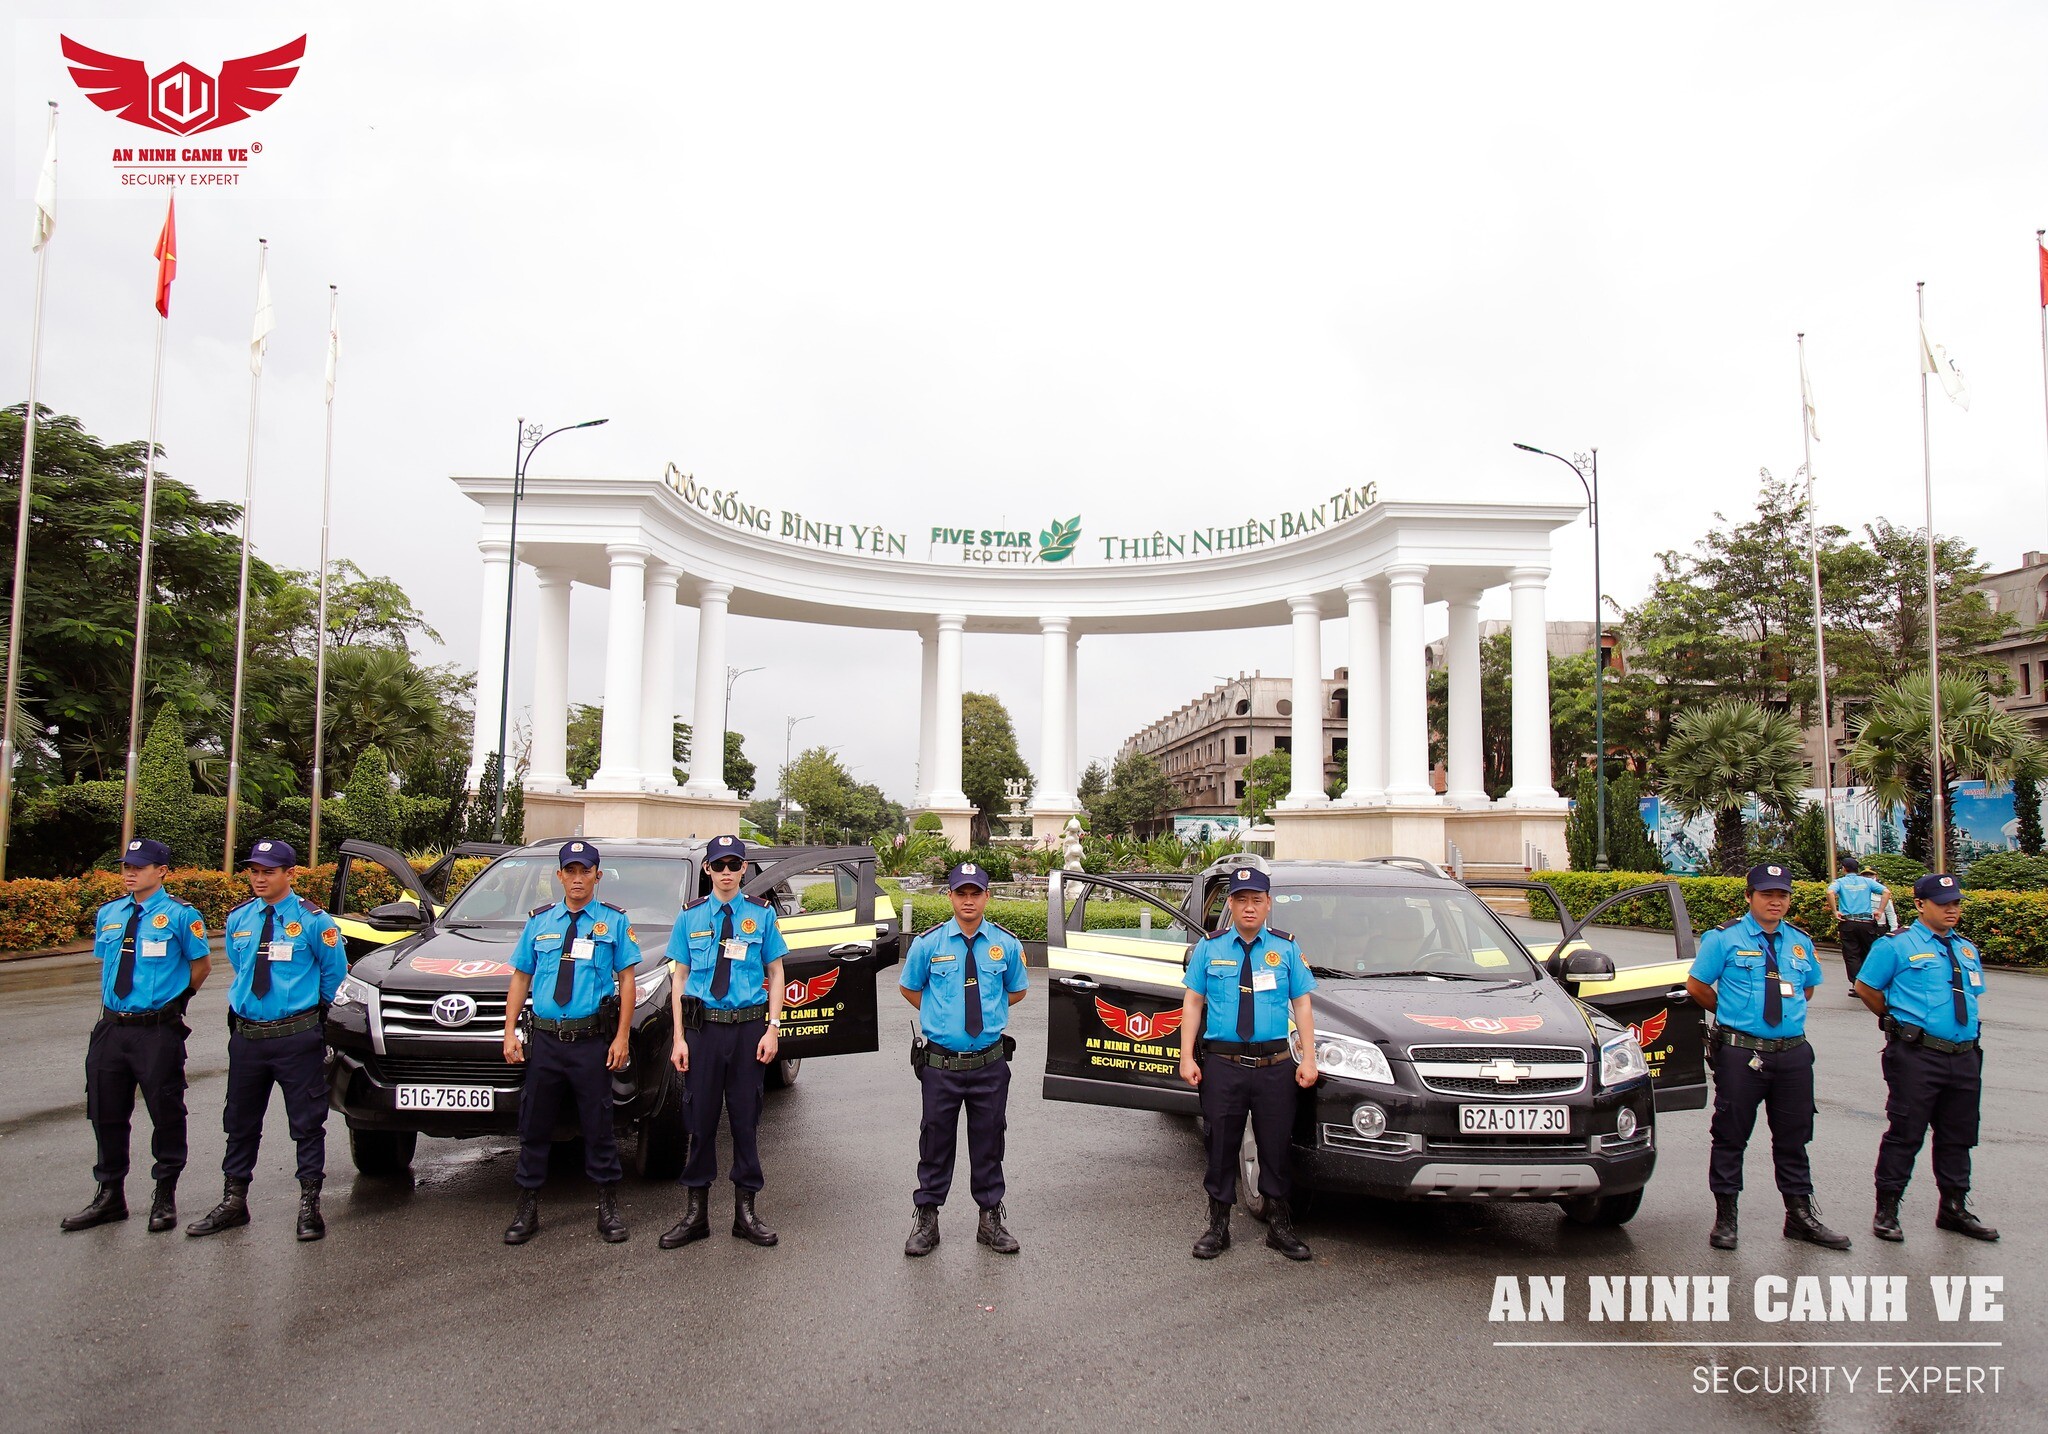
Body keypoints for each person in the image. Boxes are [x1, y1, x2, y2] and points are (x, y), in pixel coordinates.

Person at [1685, 863, 1850, 1252]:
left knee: (1794, 1139)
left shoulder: (1799, 942)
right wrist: (1733, 1014)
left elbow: (1806, 990)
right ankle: (1726, 1218)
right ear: (1749, 897)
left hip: (1792, 1054)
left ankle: (1800, 1217)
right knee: (1731, 1136)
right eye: (1766, 894)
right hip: (1742, 1053)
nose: (1776, 901)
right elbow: (1697, 985)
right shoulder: (1723, 939)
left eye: (1782, 895)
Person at [187, 840, 345, 1242]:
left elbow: (333, 980)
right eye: (254, 871)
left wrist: (317, 1028)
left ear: (290, 874)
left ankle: (309, 1205)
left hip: (296, 1038)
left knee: (307, 1125)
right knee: (239, 1123)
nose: (259, 878)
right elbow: (243, 969)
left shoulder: (315, 922)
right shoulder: (240, 918)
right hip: (248, 1039)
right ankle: (234, 1200)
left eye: (268, 871)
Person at [62, 838, 211, 1233]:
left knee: (165, 1111)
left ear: (161, 871)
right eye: (126, 865)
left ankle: (164, 1195)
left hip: (156, 1029)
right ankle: (110, 1195)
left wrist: (177, 1003)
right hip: (112, 1027)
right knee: (105, 1111)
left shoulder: (181, 916)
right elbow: (108, 965)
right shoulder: (109, 914)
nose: (130, 872)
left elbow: (201, 964)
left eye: (139, 866)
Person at [1177, 866, 1319, 1262]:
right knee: (1220, 1144)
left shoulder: (1286, 949)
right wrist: (1187, 1055)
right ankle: (1217, 1225)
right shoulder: (1211, 947)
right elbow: (1192, 1002)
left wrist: (1309, 1057)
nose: (1249, 908)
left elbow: (1303, 1003)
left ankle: (1279, 1225)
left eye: (1257, 900)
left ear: (1268, 904)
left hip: (1275, 1065)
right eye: (1241, 900)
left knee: (1275, 1145)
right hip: (1223, 1064)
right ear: (1231, 904)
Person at [500, 839, 639, 1245]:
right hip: (545, 1040)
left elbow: (627, 980)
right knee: (534, 1123)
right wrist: (509, 1031)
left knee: (598, 1125)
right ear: (559, 876)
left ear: (598, 875)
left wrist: (622, 1036)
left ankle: (607, 1205)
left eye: (585, 871)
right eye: (570, 871)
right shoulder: (539, 922)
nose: (578, 879)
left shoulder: (613, 922)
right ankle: (527, 1206)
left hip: (590, 1041)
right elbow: (520, 978)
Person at [1854, 873, 1998, 1242]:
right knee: (1906, 1133)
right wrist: (1895, 1021)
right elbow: (1866, 987)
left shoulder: (1966, 948)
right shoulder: (1896, 946)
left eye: (1956, 903)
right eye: (1943, 903)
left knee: (1959, 1136)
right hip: (1918, 1055)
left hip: (1964, 1056)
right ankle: (1887, 1210)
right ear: (1920, 904)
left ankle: (1953, 1208)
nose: (1952, 909)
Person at [661, 834, 788, 1250]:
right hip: (703, 1031)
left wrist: (773, 1028)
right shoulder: (690, 917)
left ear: (744, 868)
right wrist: (679, 1038)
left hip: (749, 1030)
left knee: (745, 1120)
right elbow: (679, 978)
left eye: (735, 865)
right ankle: (696, 1213)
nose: (728, 872)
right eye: (720, 865)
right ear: (708, 870)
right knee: (699, 1121)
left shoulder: (760, 915)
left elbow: (776, 972)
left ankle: (745, 1213)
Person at [898, 860, 1028, 1257]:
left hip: (989, 1063)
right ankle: (927, 1218)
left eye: (975, 893)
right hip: (942, 1065)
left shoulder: (1005, 944)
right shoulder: (928, 944)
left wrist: (986, 1012)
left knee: (989, 1140)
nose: (968, 900)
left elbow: (1017, 990)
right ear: (950, 896)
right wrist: (941, 1016)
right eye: (961, 893)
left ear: (987, 897)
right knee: (935, 1141)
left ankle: (990, 1218)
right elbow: (910, 988)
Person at [1826, 857, 1894, 993]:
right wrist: (1880, 910)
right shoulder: (1867, 882)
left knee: (1852, 954)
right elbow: (1886, 892)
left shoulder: (1840, 882)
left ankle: (1857, 986)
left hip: (1848, 922)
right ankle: (1872, 984)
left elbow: (1829, 892)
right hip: (1866, 922)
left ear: (1844, 869)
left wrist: (1835, 911)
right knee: (1869, 952)